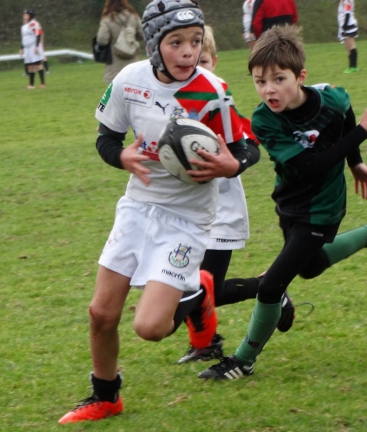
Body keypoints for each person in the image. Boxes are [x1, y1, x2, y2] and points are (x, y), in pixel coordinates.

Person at [58, 0, 261, 423]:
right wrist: (121, 158)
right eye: (176, 43)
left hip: (187, 220)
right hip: (137, 207)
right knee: (101, 313)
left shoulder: (213, 90)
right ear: (154, 45)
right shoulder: (128, 81)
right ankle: (106, 395)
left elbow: (247, 144)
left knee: (150, 328)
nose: (188, 52)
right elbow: (107, 138)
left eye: (194, 41)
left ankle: (198, 297)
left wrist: (233, 164)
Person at [198, 25, 367, 381]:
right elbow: (306, 167)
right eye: (259, 81)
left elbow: (344, 114)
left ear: (301, 77)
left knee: (272, 287)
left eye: (278, 79)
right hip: (290, 203)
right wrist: (360, 135)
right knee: (311, 266)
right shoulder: (263, 119)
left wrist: (355, 159)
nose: (269, 89)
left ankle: (243, 360)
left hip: (323, 209)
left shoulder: (331, 98)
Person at [177, 25, 297, 365]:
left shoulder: (220, 107)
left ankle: (269, 290)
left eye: (202, 61)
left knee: (205, 288)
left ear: (214, 61)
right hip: (182, 209)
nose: (194, 68)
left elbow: (250, 143)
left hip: (220, 207)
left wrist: (231, 162)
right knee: (181, 280)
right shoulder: (171, 104)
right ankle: (208, 340)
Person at [96, 0, 144, 84]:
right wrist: (131, 37)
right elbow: (143, 34)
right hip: (133, 62)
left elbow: (102, 40)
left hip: (115, 64)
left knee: (117, 92)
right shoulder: (133, 15)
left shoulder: (107, 19)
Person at [19, 9, 45, 89]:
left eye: (26, 15)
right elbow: (24, 39)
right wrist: (22, 48)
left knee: (37, 64)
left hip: (33, 46)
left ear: (30, 16)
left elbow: (38, 35)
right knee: (30, 66)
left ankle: (42, 83)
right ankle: (31, 84)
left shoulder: (34, 24)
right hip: (27, 48)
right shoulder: (24, 27)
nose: (24, 16)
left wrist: (37, 46)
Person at [338, 0, 359, 73]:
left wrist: (344, 26)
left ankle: (353, 66)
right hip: (345, 26)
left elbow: (347, 14)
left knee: (351, 46)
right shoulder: (343, 1)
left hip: (349, 26)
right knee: (348, 47)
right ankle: (351, 66)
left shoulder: (347, 1)